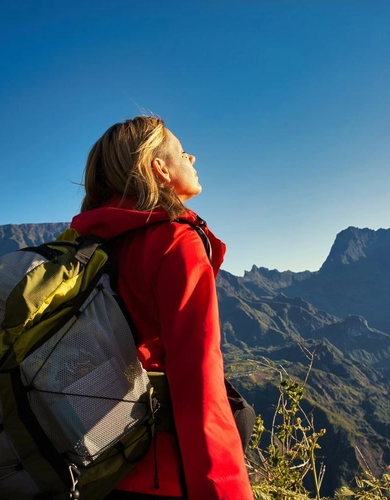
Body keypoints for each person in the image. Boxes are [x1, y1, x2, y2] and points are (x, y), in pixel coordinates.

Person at [70, 115, 253, 499]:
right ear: (160, 170)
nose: (193, 158)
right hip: (154, 469)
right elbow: (197, 379)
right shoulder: (175, 243)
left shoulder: (83, 247)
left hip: (83, 463)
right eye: (183, 153)